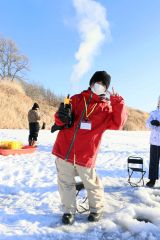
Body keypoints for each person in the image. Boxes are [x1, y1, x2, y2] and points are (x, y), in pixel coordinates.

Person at [52, 71, 128, 224]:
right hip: (64, 150)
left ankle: (96, 210)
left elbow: (119, 124)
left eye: (103, 84)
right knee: (65, 183)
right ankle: (68, 211)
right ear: (91, 83)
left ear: (106, 88)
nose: (99, 85)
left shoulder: (105, 108)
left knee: (92, 184)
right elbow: (59, 121)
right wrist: (60, 117)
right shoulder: (75, 99)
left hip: (86, 154)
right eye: (97, 82)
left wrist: (117, 102)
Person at [146, 96, 160, 187]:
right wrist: (152, 123)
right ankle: (152, 180)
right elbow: (147, 124)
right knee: (153, 161)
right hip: (155, 141)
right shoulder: (154, 113)